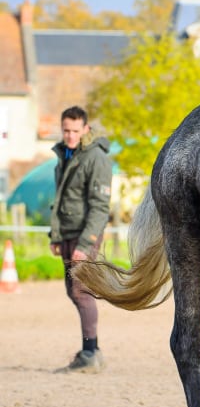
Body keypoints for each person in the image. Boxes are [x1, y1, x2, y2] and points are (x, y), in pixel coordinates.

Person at [50, 106, 112, 372]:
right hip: (68, 233)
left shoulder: (96, 158)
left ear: (85, 129)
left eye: (75, 131)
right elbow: (63, 198)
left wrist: (86, 244)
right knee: (72, 291)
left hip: (85, 235)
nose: (70, 135)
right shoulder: (66, 154)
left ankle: (90, 354)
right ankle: (92, 351)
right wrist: (56, 236)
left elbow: (100, 206)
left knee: (81, 290)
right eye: (66, 130)